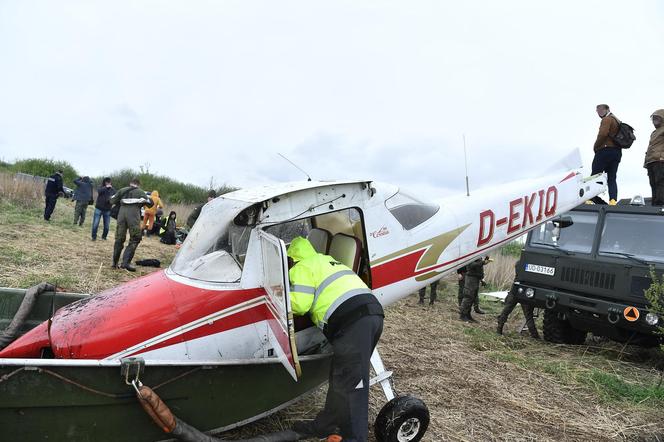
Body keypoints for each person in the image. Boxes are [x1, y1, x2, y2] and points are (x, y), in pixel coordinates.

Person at [287, 237, 384, 441]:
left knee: (353, 385)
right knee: (342, 377)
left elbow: (300, 305)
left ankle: (355, 438)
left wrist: (282, 294)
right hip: (370, 316)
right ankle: (326, 424)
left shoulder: (302, 267)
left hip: (353, 322)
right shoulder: (325, 260)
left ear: (291, 258)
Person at [111, 178, 154, 271]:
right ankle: (125, 263)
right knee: (135, 238)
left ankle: (114, 263)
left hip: (121, 215)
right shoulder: (141, 192)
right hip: (133, 216)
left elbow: (111, 201)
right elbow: (150, 204)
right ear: (138, 184)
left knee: (119, 238)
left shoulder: (122, 190)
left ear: (130, 183)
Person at [591, 104, 622, 205]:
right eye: (597, 111)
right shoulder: (617, 120)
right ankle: (613, 200)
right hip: (617, 152)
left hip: (605, 150)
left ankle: (591, 198)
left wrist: (596, 146)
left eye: (600, 110)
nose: (598, 112)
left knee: (595, 176)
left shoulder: (607, 119)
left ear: (607, 109)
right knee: (612, 178)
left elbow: (603, 134)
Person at [459, 256, 490, 322]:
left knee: (473, 298)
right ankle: (462, 315)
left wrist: (482, 279)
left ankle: (468, 315)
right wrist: (483, 262)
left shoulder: (479, 256)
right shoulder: (472, 255)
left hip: (476, 279)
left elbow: (478, 268)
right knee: (468, 297)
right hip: (471, 279)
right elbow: (471, 265)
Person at [644, 109, 664, 206]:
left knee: (660, 181)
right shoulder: (654, 133)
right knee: (653, 183)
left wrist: (662, 156)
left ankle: (660, 203)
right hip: (651, 161)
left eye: (657, 118)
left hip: (660, 161)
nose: (654, 120)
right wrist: (646, 162)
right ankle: (655, 204)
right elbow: (651, 147)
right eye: (653, 118)